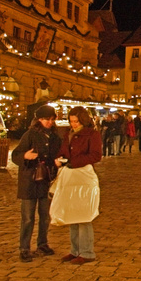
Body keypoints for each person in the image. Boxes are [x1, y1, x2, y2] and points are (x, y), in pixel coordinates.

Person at [11, 105, 62, 262]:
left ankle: (42, 243)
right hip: (29, 180)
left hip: (46, 180)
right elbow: (16, 155)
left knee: (45, 216)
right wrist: (25, 155)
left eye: (52, 119)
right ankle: (24, 248)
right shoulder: (30, 134)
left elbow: (56, 155)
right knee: (28, 217)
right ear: (39, 120)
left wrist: (56, 162)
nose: (49, 122)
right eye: (46, 119)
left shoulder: (55, 136)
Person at [55, 106, 103, 265]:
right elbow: (64, 150)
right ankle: (75, 250)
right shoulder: (68, 134)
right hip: (70, 175)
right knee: (72, 213)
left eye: (76, 121)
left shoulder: (92, 134)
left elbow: (96, 155)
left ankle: (87, 252)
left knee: (83, 214)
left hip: (84, 176)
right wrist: (60, 158)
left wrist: (73, 162)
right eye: (71, 121)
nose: (73, 124)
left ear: (83, 120)